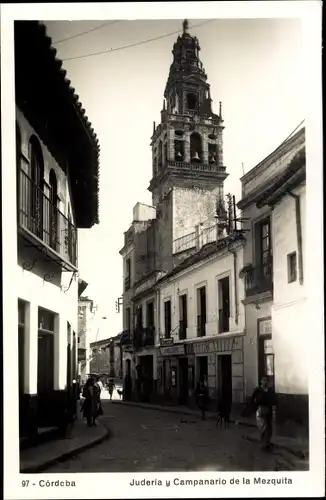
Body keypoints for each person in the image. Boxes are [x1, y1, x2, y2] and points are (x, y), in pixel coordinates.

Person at [251, 375, 276, 451]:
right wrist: (255, 406)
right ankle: (264, 444)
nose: (265, 382)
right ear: (261, 381)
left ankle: (267, 442)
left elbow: (274, 399)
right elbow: (253, 399)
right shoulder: (258, 390)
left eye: (267, 380)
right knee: (263, 427)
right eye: (264, 380)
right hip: (261, 410)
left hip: (269, 409)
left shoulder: (270, 390)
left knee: (269, 427)